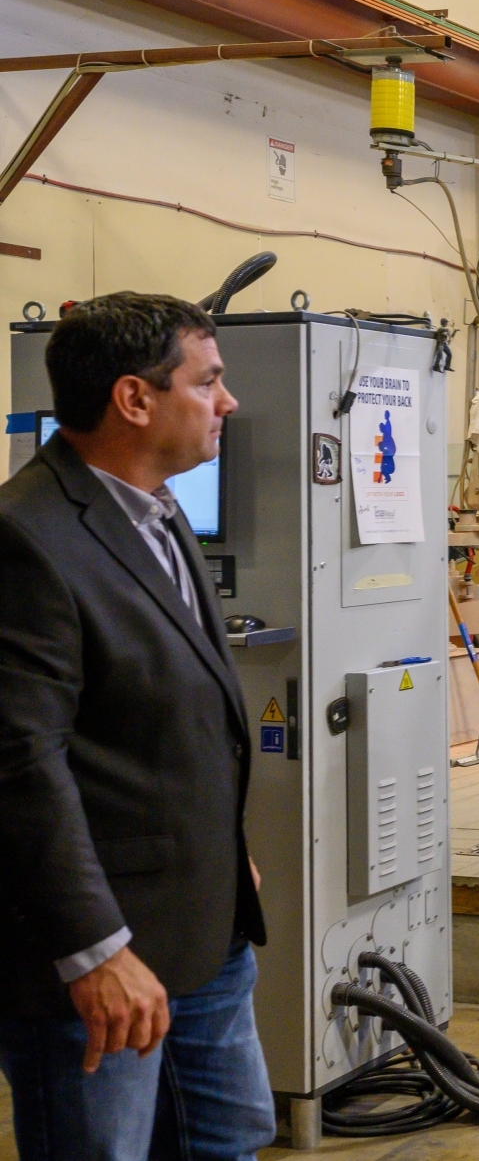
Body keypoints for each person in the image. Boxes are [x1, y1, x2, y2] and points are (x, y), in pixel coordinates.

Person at [0, 293, 272, 1161]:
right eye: (210, 381)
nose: (227, 402)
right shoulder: (28, 537)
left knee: (225, 1140)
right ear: (134, 399)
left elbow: (166, 717)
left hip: (205, 931)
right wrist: (93, 951)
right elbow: (20, 763)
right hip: (102, 960)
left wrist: (224, 853)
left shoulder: (156, 513)